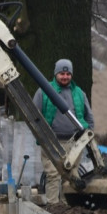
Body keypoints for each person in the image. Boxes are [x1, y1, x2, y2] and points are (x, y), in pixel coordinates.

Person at [32, 58, 93, 204]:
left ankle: (68, 210)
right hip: (51, 142)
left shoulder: (79, 93)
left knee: (71, 176)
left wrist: (87, 136)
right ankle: (53, 208)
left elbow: (89, 117)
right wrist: (41, 137)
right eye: (62, 73)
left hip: (74, 143)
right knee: (53, 175)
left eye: (68, 74)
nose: (65, 77)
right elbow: (34, 117)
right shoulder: (43, 92)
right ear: (55, 74)